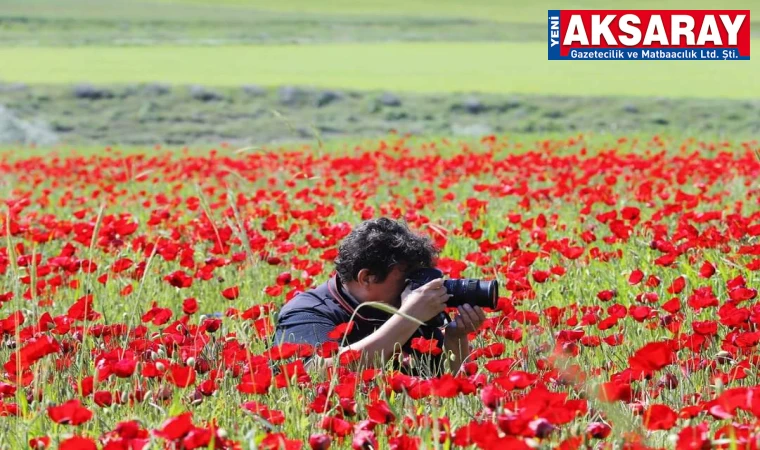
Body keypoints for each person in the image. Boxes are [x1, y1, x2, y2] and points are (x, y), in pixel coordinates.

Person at [271, 217, 486, 376]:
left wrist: (455, 338)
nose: (415, 288)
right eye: (408, 278)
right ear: (366, 277)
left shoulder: (407, 304)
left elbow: (447, 382)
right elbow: (314, 372)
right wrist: (408, 315)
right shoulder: (308, 311)